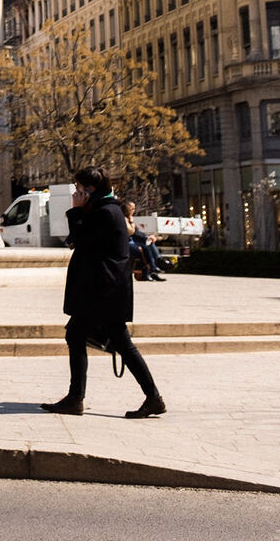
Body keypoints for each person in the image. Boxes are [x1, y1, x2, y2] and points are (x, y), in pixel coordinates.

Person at [41, 166, 165, 419]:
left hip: (102, 291)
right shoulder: (105, 209)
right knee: (109, 340)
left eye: (78, 188)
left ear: (90, 189)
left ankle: (77, 398)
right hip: (104, 290)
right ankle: (152, 397)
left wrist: (75, 211)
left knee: (85, 336)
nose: (75, 193)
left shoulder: (106, 212)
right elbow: (78, 241)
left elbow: (81, 240)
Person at [124, 201, 164, 281]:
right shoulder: (125, 219)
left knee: (150, 244)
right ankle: (154, 267)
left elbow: (137, 232)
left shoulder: (130, 218)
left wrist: (147, 237)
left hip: (133, 240)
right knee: (145, 248)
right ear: (127, 209)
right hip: (127, 242)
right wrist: (131, 221)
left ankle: (156, 265)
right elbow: (132, 232)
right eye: (132, 208)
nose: (134, 210)